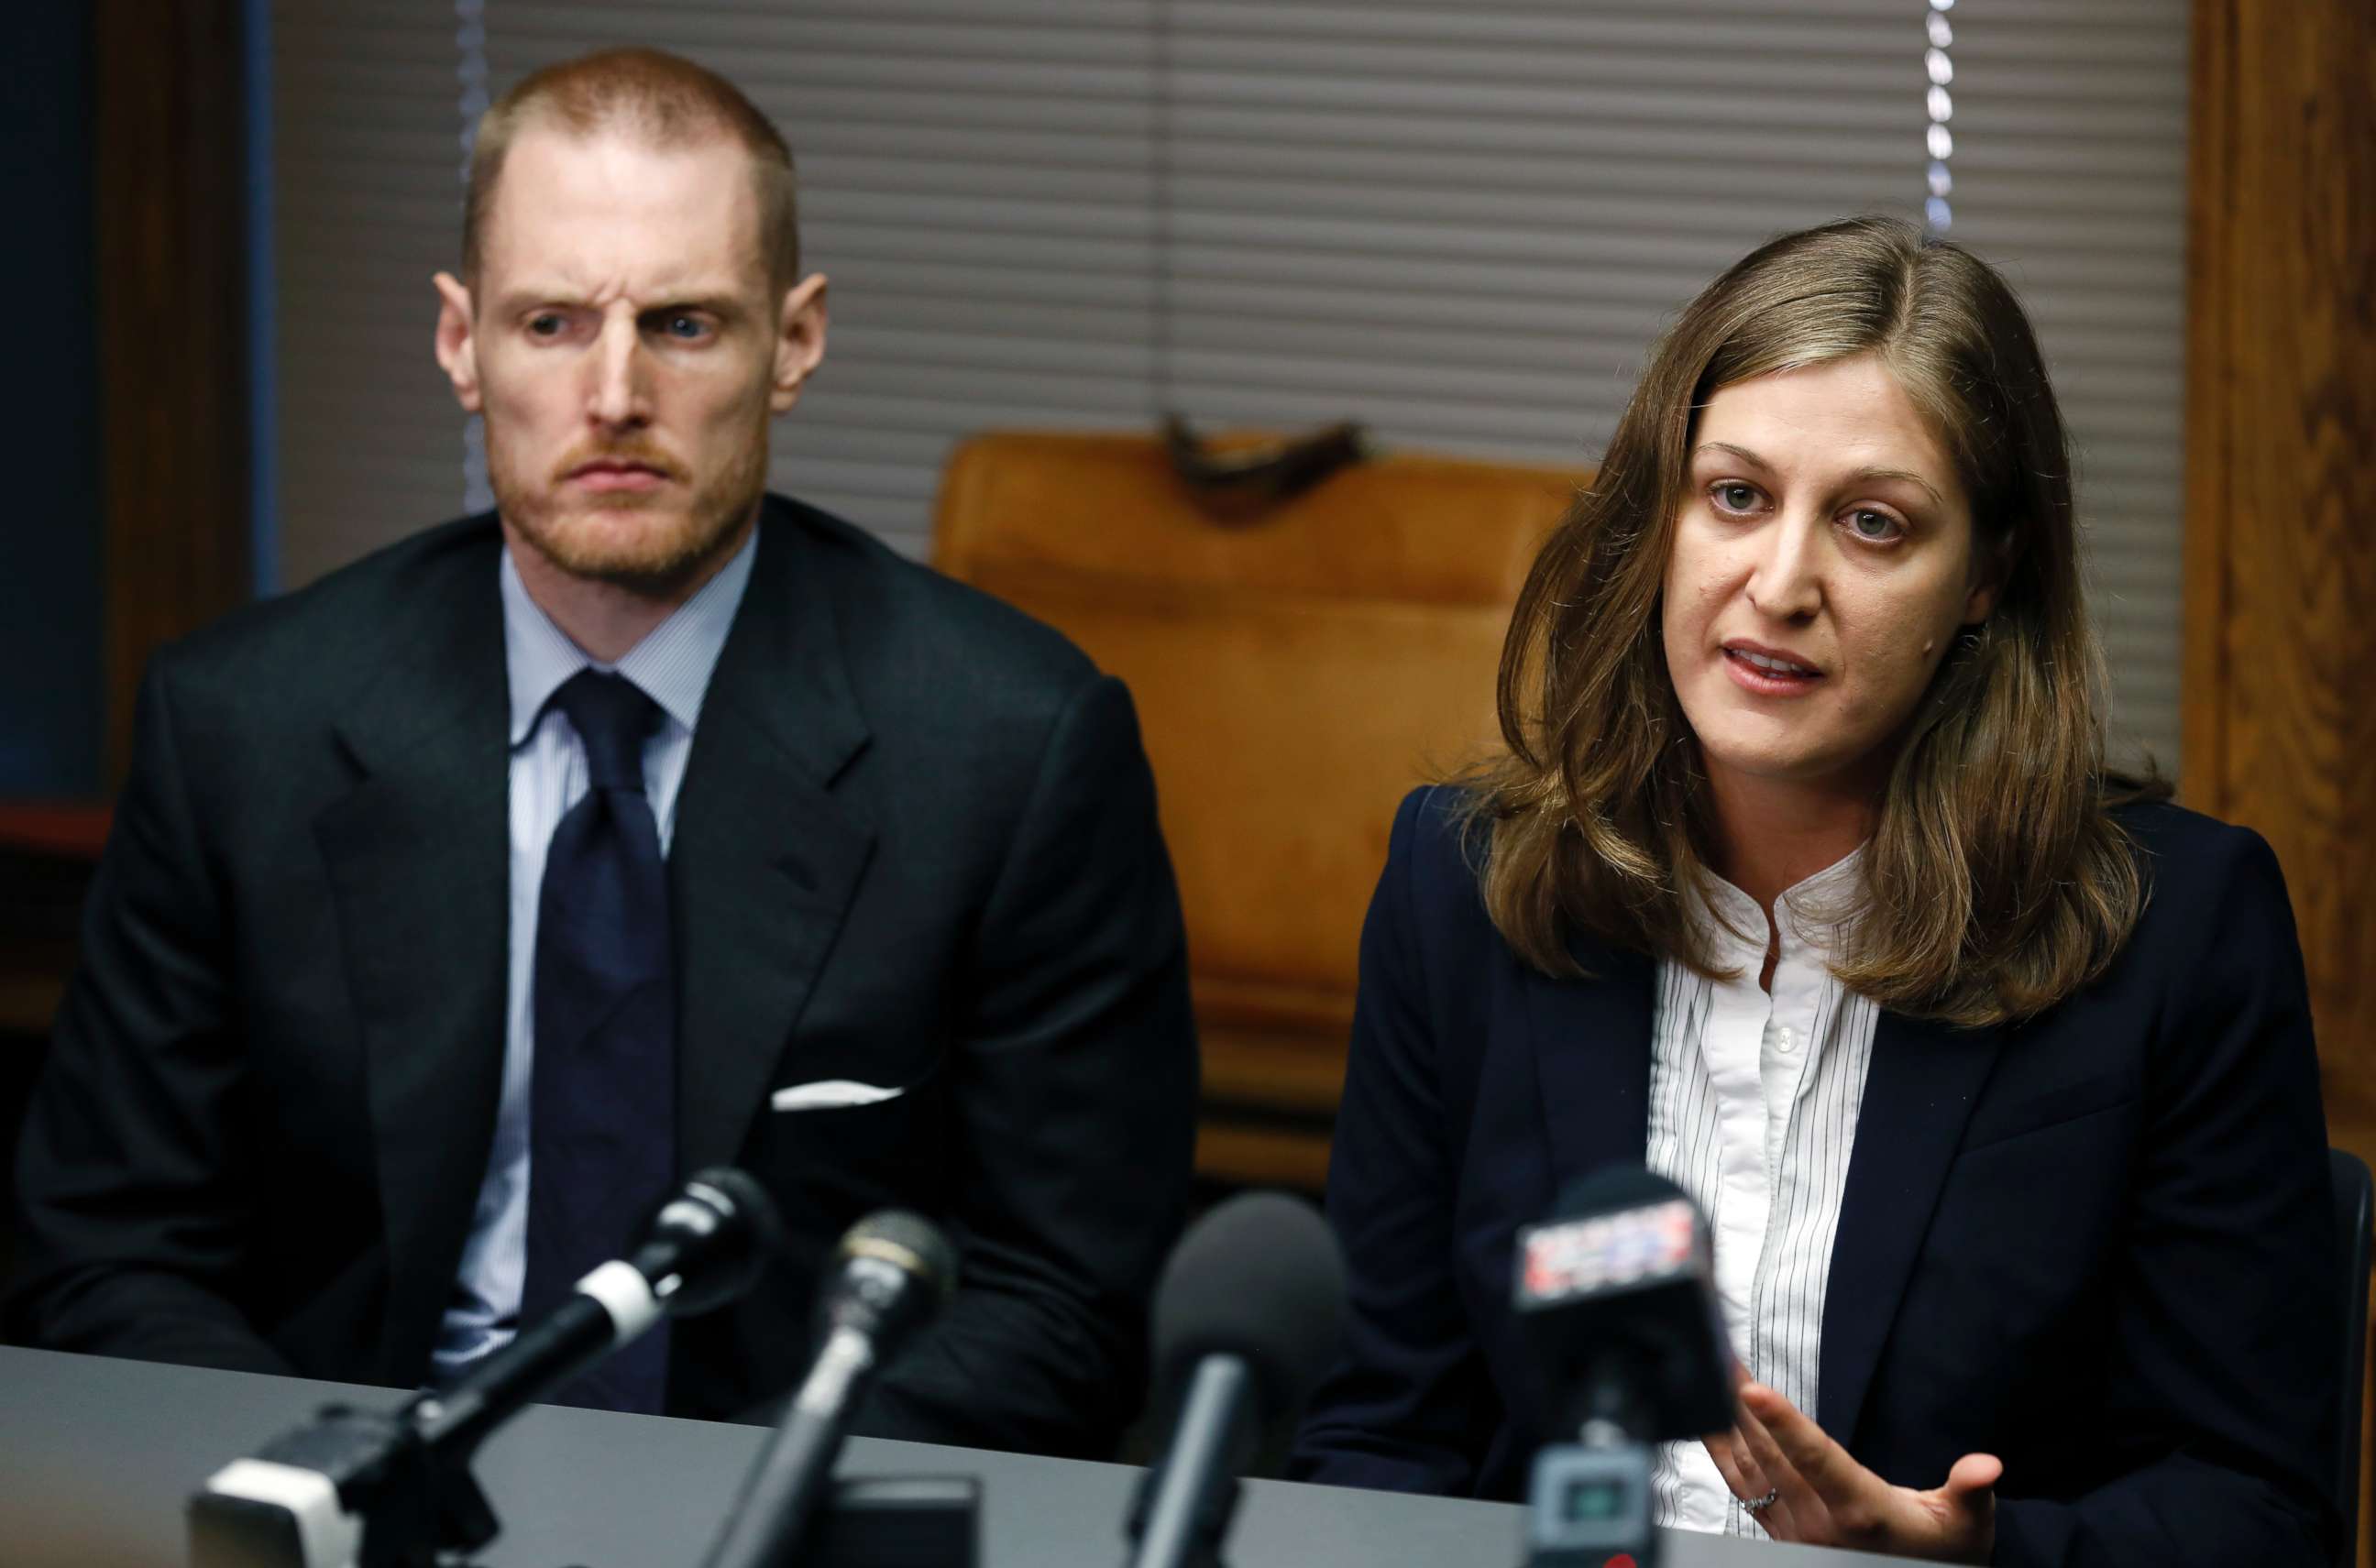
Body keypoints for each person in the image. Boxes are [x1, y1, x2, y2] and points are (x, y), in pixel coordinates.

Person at [6, 48, 1197, 1457]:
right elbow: (107, 1250)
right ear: (463, 345)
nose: (616, 392)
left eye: (685, 325)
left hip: (783, 1508)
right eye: (553, 323)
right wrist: (335, 1496)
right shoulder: (244, 727)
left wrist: (733, 1527)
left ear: (796, 342)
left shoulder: (1010, 748)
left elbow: (1060, 1299)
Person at [1289, 217, 2338, 1565]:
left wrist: (1953, 1551)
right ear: (1655, 516)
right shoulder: (1467, 887)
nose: (1780, 585)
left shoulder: (2177, 933)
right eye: (1734, 496)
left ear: (1987, 578)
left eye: (1873, 524)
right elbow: (1385, 1437)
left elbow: (2258, 1512)